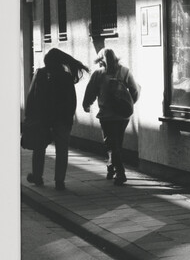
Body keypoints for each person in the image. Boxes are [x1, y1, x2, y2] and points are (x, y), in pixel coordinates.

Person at [24, 48, 89, 190]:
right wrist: (69, 118)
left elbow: (31, 97)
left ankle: (37, 177)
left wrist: (29, 117)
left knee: (39, 149)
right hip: (62, 120)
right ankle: (59, 181)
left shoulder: (40, 73)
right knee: (62, 150)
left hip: (42, 120)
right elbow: (72, 100)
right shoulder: (66, 76)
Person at [83, 48, 140, 185]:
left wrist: (87, 104)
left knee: (111, 144)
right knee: (116, 143)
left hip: (107, 116)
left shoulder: (98, 74)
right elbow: (135, 91)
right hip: (123, 116)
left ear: (100, 60)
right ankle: (111, 166)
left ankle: (120, 173)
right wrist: (128, 104)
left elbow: (90, 91)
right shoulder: (125, 71)